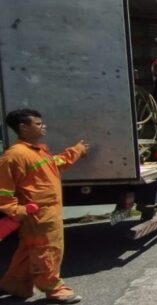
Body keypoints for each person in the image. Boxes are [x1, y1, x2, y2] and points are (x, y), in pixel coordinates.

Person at [0, 109, 89, 304]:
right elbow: (3, 192)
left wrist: (77, 151)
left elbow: (56, 163)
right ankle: (54, 289)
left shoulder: (38, 152)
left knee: (28, 250)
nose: (43, 126)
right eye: (38, 124)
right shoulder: (14, 156)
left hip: (47, 212)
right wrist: (17, 211)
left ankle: (14, 285)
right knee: (47, 250)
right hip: (38, 215)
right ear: (23, 127)